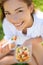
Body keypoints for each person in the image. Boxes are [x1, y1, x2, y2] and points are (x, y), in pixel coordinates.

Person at [0, 0, 43, 65]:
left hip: (33, 44)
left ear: (30, 8)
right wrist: (5, 45)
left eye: (19, 11)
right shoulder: (7, 22)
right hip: (15, 41)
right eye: (8, 13)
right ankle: (24, 57)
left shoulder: (41, 21)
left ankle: (24, 57)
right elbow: (9, 37)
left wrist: (28, 42)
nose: (14, 19)